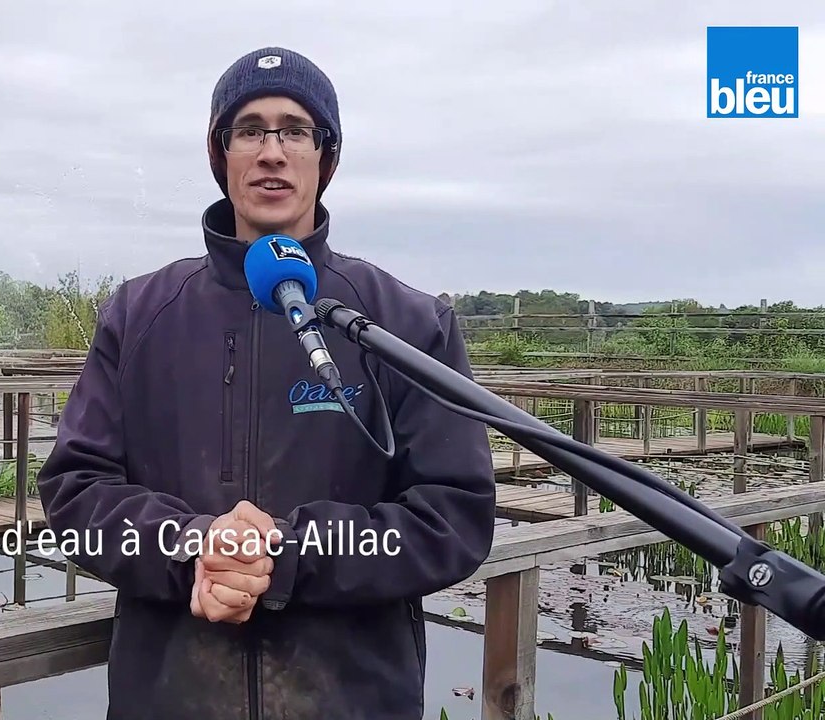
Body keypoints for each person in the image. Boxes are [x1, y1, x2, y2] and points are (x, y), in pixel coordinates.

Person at [37, 46, 497, 720]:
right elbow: (77, 492)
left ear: (325, 157)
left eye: (295, 130)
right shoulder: (139, 314)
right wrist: (195, 547)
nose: (271, 151)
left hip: (351, 701)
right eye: (249, 129)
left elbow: (452, 517)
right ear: (221, 155)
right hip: (171, 699)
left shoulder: (404, 322)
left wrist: (286, 555)